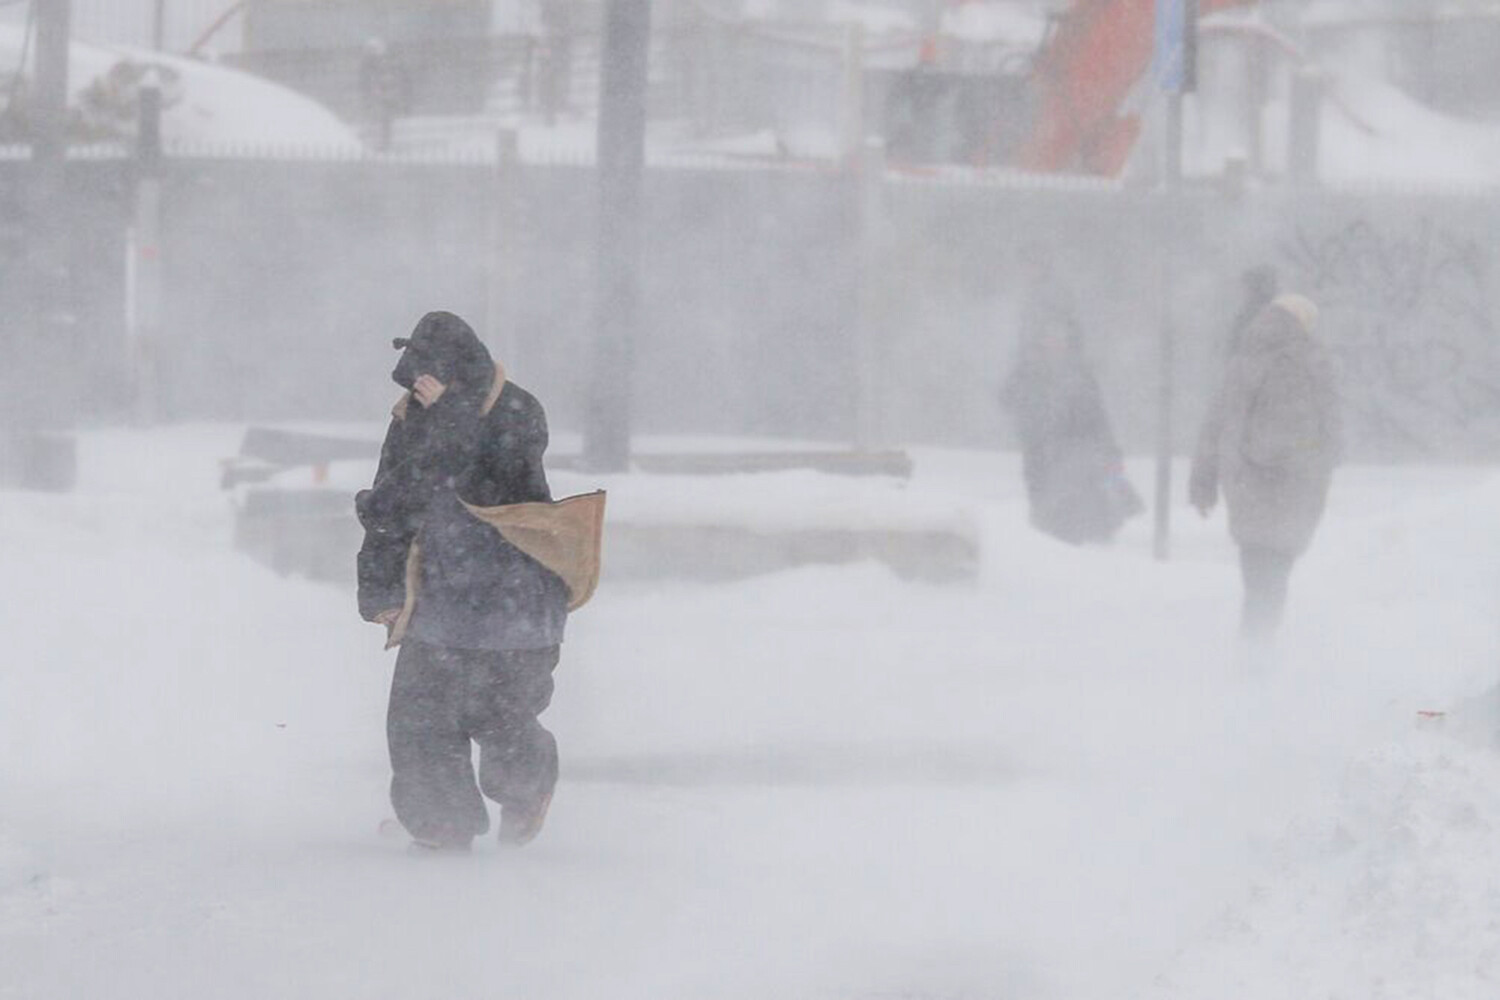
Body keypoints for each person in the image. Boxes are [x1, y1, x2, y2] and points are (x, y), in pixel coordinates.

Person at [356, 311, 572, 852]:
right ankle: (440, 824)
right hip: (442, 601)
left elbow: (507, 486)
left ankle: (526, 791)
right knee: (420, 719)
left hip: (516, 599)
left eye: (433, 376)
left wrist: (450, 417)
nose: (421, 387)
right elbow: (390, 503)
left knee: (499, 715)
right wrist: (380, 588)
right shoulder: (414, 418)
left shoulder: (516, 410)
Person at [1189, 294, 1342, 640]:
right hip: (1293, 485)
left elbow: (1215, 424)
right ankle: (1257, 651)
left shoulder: (1244, 360)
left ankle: (1254, 646)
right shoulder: (1310, 361)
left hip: (1245, 483)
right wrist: (1327, 460)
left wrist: (1203, 482)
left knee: (1258, 566)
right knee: (1275, 571)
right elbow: (1329, 427)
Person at [1001, 287, 1143, 545]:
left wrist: (1110, 458)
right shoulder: (1029, 371)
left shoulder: (1081, 374)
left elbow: (1099, 420)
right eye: (1049, 333)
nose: (1056, 339)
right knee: (1049, 525)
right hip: (1044, 460)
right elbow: (1011, 401)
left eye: (1061, 333)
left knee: (1086, 522)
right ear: (1040, 337)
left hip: (1081, 462)